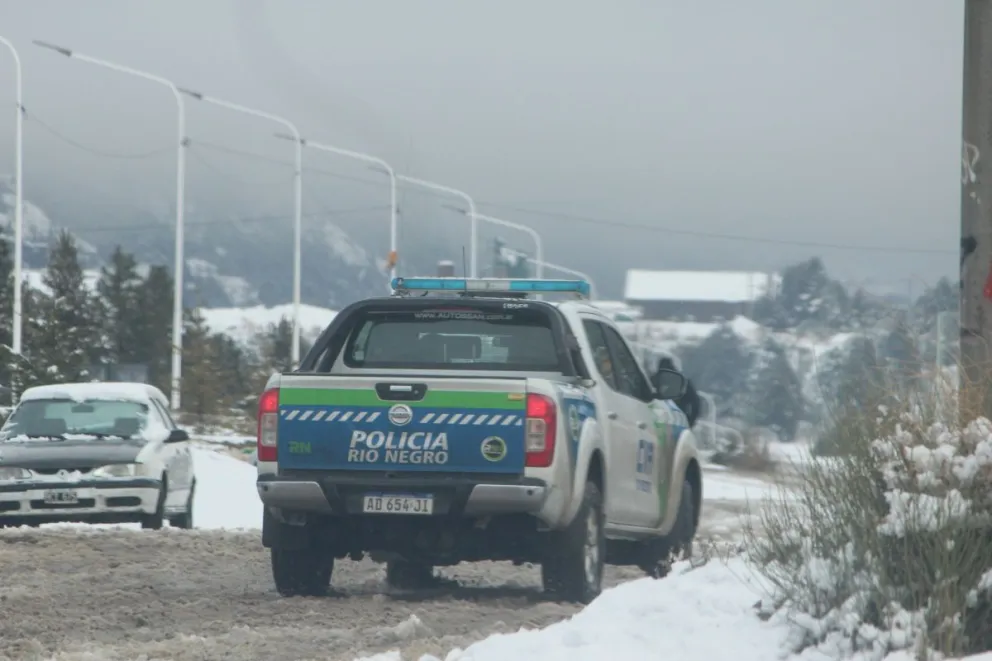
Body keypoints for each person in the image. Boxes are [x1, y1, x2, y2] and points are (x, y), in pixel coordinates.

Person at [656, 356, 700, 428]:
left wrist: (690, 422)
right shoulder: (684, 383)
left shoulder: (684, 384)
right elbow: (696, 404)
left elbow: (695, 403)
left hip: (676, 420)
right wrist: (690, 422)